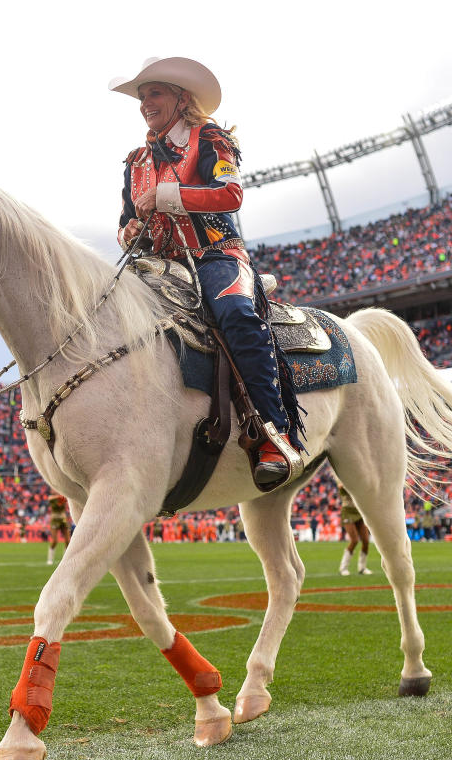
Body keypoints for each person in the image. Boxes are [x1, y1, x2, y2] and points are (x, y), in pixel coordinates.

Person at [112, 57, 304, 485]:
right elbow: (125, 222)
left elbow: (229, 193)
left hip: (217, 254)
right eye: (142, 96)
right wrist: (131, 233)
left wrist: (165, 195)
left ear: (181, 98)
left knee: (235, 314)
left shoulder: (209, 138)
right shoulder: (135, 162)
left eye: (154, 93)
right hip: (159, 266)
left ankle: (273, 435)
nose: (145, 103)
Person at [336, 483, 372, 575]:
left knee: (366, 540)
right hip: (347, 511)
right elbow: (341, 486)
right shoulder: (342, 477)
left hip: (359, 511)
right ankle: (343, 568)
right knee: (354, 540)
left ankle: (362, 568)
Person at [46, 492, 70, 566]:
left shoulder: (63, 496)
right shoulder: (52, 497)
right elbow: (49, 498)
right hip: (54, 519)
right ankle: (50, 559)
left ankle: (65, 560)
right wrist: (58, 496)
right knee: (55, 541)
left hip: (63, 519)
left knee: (68, 541)